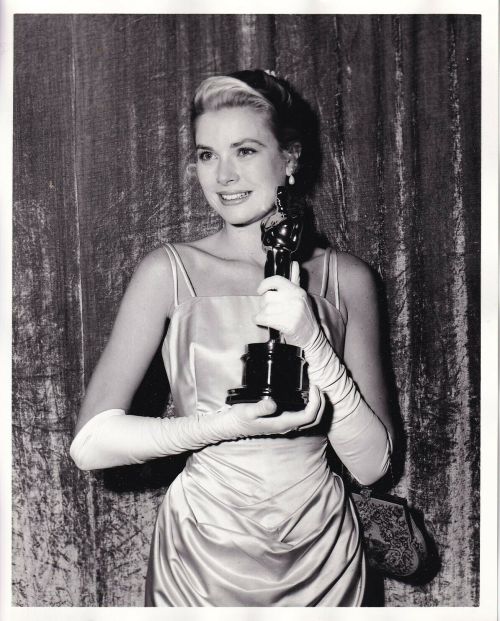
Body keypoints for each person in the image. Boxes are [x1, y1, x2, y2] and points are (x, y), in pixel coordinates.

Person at [70, 69, 394, 607]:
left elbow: (372, 465)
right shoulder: (168, 271)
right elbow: (90, 445)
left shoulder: (347, 279)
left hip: (325, 559)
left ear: (289, 160)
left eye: (244, 150)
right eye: (206, 155)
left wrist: (314, 340)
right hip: (197, 561)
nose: (223, 175)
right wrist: (222, 425)